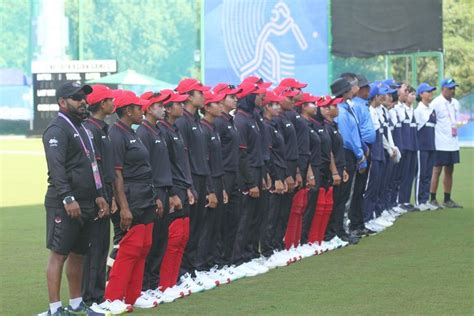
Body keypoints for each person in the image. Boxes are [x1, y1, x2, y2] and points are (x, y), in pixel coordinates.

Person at [43, 82, 109, 315]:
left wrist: (99, 195)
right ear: (62, 102)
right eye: (76, 98)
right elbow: (56, 168)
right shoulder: (57, 129)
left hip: (88, 201)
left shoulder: (83, 128)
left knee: (79, 254)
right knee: (59, 254)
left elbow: (92, 165)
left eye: (84, 97)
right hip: (65, 202)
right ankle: (54, 309)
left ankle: (75, 303)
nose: (83, 101)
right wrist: (68, 198)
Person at [99, 91, 161, 312]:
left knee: (144, 247)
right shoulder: (117, 134)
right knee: (130, 248)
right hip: (131, 198)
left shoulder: (132, 132)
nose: (141, 111)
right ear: (127, 111)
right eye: (138, 108)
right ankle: (113, 296)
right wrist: (123, 206)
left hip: (145, 196)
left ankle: (132, 296)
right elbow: (116, 174)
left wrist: (154, 197)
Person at [174, 78, 218, 277]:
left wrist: (209, 188)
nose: (204, 96)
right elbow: (184, 158)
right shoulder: (182, 121)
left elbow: (204, 159)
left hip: (201, 179)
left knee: (197, 228)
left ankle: (190, 271)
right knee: (187, 231)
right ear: (189, 97)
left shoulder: (197, 122)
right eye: (200, 93)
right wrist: (188, 186)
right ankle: (183, 272)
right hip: (190, 181)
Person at [135, 90, 176, 297]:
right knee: (151, 241)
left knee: (161, 239)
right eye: (159, 105)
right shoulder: (143, 132)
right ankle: (145, 286)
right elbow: (146, 168)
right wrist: (155, 196)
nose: (163, 108)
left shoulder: (157, 130)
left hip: (164, 189)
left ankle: (153, 283)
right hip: (154, 191)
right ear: (149, 108)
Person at [82, 84, 117, 306]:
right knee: (94, 249)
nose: (114, 103)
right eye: (110, 99)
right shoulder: (90, 129)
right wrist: (102, 196)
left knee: (102, 246)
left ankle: (98, 295)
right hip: (97, 199)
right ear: (102, 104)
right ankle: (90, 298)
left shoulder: (101, 127)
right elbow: (92, 168)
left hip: (106, 195)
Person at [232, 82, 268, 277]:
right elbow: (243, 155)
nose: (262, 97)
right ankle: (240, 257)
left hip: (258, 171)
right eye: (258, 94)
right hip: (248, 174)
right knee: (245, 218)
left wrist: (263, 174)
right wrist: (251, 181)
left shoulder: (253, 117)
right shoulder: (241, 120)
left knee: (256, 217)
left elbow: (259, 151)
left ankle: (252, 254)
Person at [197, 91, 230, 283]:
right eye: (216, 103)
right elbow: (205, 163)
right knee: (206, 226)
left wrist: (222, 187)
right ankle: (201, 266)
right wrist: (210, 189)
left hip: (218, 180)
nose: (220, 106)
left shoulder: (213, 128)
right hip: (209, 182)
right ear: (207, 108)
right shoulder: (203, 129)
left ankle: (210, 263)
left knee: (215, 225)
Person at [212, 83, 244, 277]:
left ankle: (227, 260)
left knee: (233, 218)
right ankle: (218, 262)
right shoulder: (219, 122)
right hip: (222, 175)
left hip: (233, 174)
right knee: (220, 221)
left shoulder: (229, 121)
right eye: (231, 96)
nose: (235, 99)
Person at [332, 77, 369, 237]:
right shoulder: (340, 111)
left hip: (350, 153)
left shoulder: (346, 108)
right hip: (347, 154)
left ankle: (341, 230)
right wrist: (360, 154)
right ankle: (340, 231)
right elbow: (348, 137)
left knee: (346, 195)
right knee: (343, 196)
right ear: (345, 92)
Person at [430, 78, 463, 208]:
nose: (453, 90)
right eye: (450, 88)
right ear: (443, 89)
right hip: (439, 142)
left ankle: (447, 199)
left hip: (453, 142)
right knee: (436, 170)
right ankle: (432, 198)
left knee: (450, 170)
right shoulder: (435, 103)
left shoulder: (455, 103)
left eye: (454, 88)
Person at [414, 83, 438, 211]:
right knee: (421, 174)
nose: (430, 94)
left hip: (431, 147)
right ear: (421, 94)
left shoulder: (431, 110)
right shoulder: (418, 111)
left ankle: (426, 199)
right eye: (428, 92)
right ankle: (419, 201)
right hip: (421, 147)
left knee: (428, 174)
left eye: (431, 91)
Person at [398, 82, 419, 212]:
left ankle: (406, 200)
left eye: (412, 93)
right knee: (402, 175)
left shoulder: (412, 111)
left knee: (410, 174)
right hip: (404, 147)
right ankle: (399, 201)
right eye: (409, 92)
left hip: (413, 147)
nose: (412, 96)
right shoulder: (399, 109)